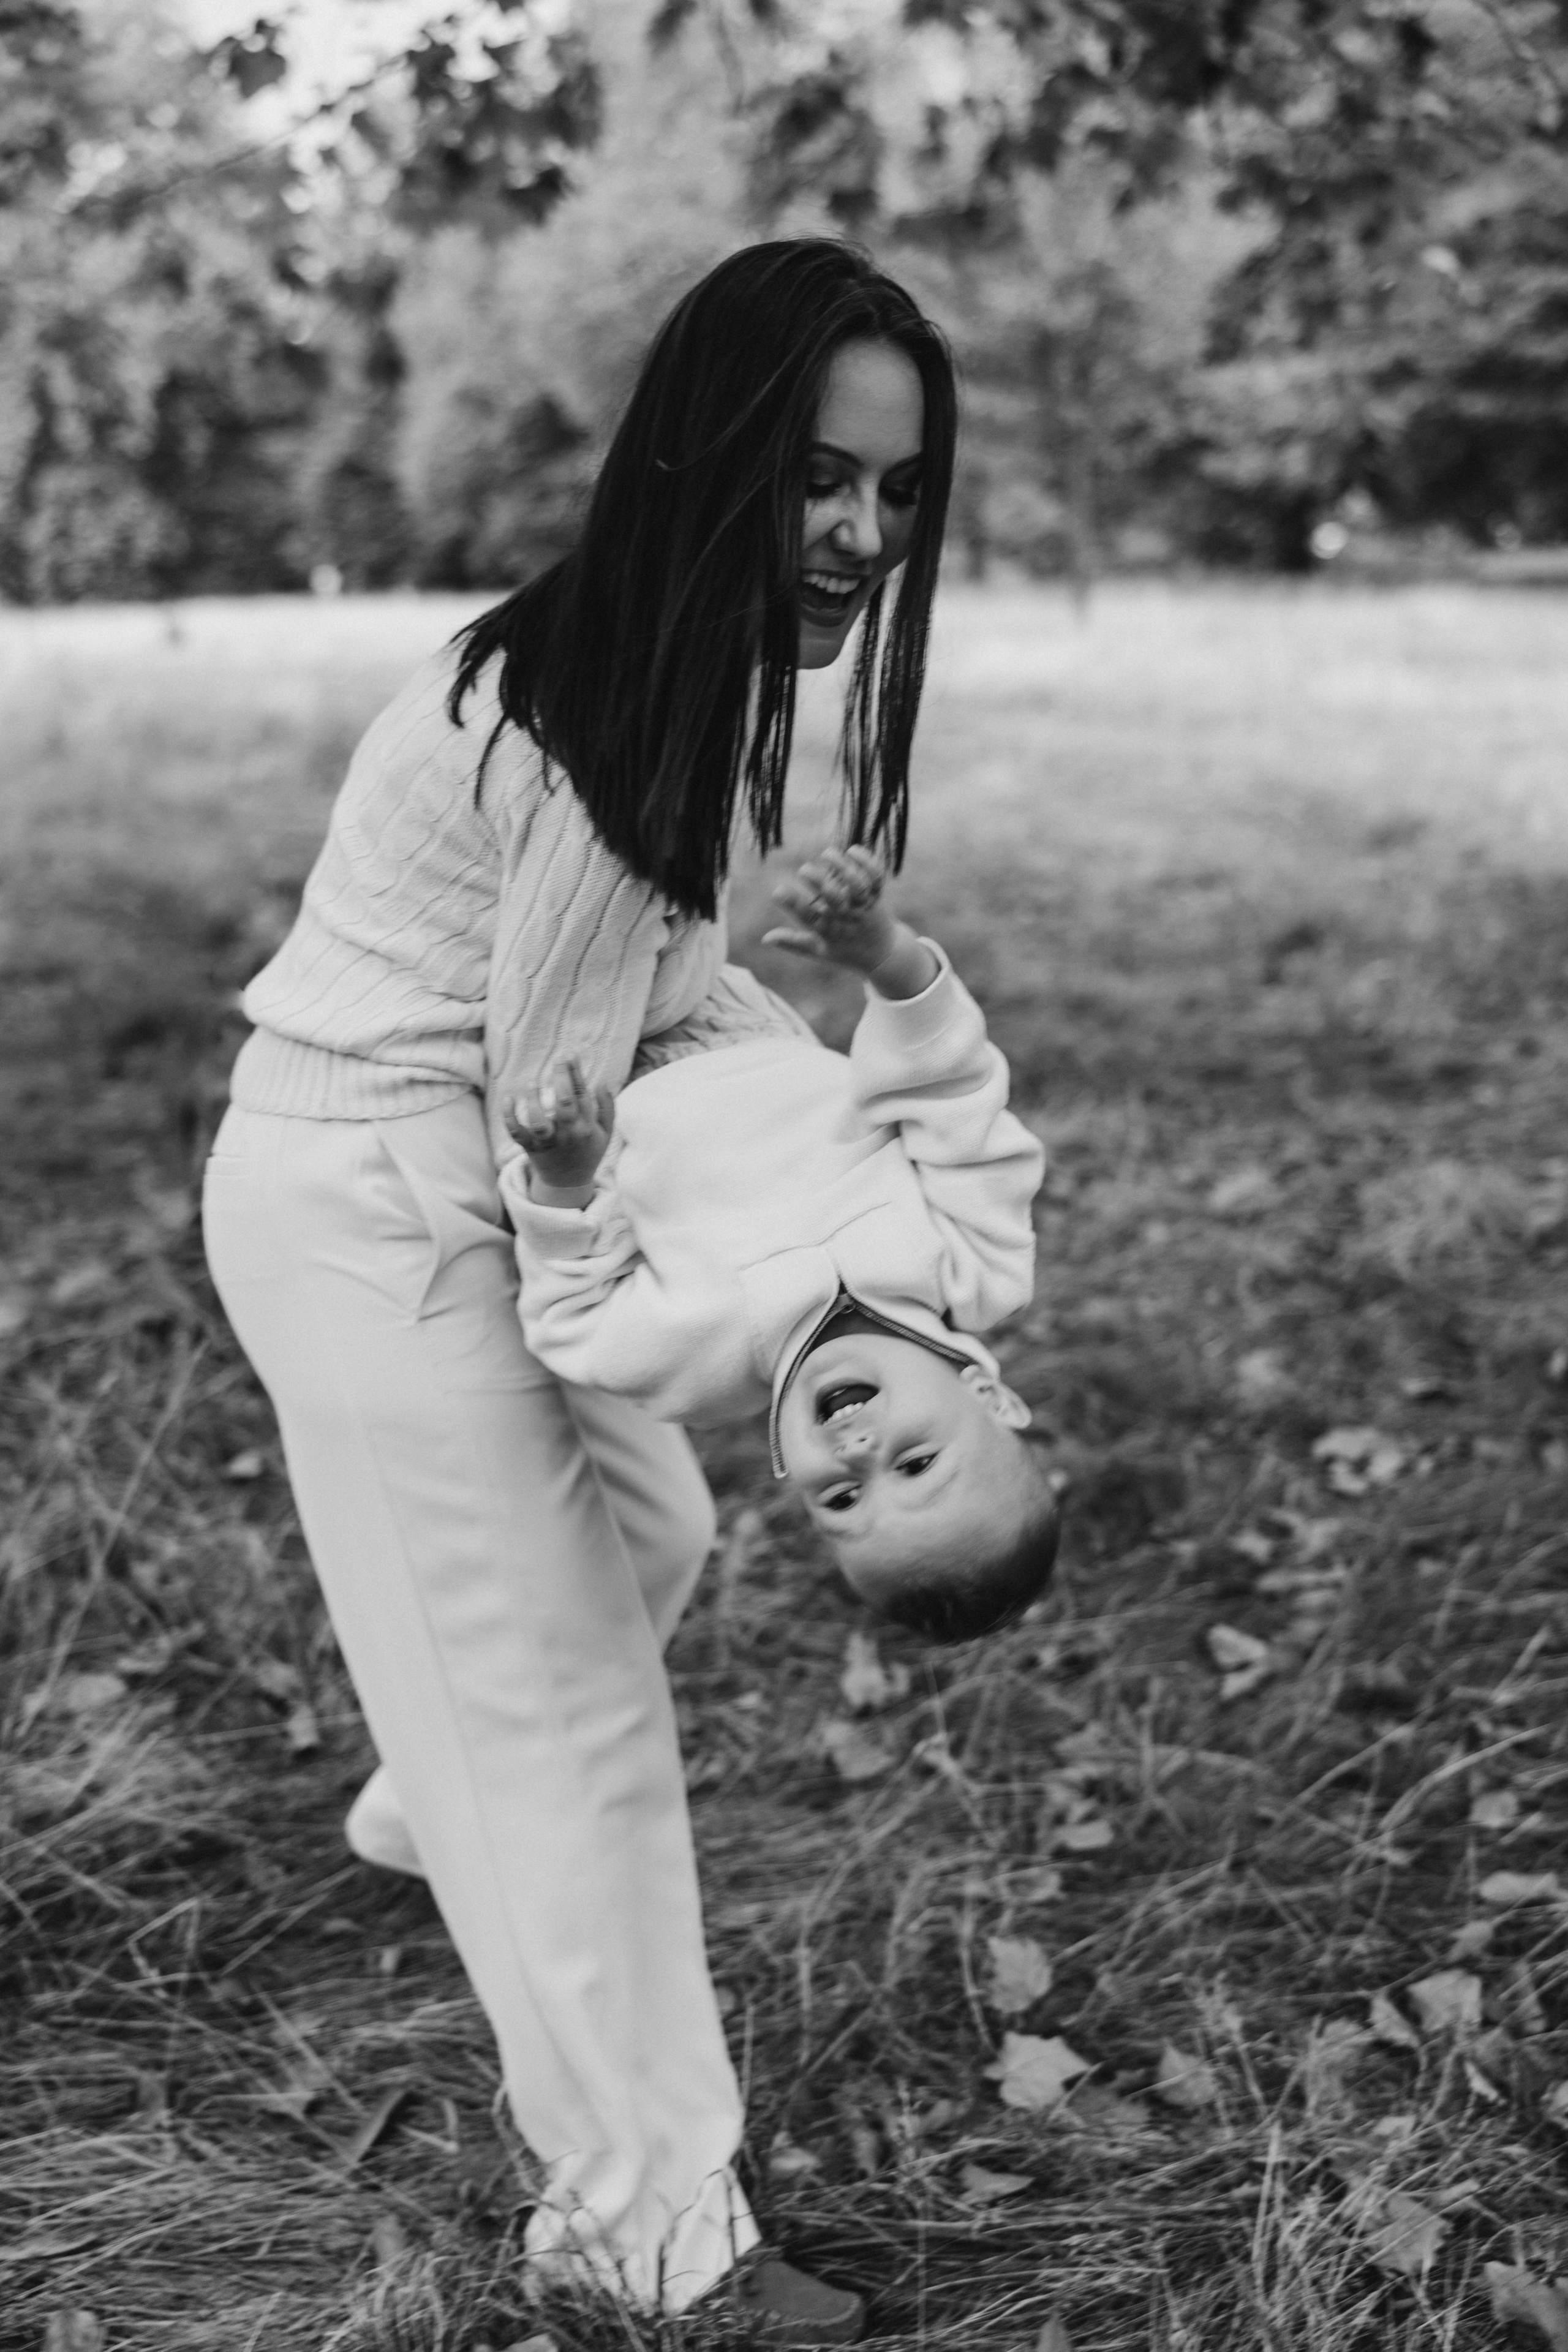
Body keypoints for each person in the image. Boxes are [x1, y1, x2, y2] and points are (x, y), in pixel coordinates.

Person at [201, 238, 956, 2345]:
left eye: (895, 494)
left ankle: (427, 1792)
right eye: (821, 475)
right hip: (375, 1201)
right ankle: (650, 2236)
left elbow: (667, 1004)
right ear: (715, 446)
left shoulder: (669, 662)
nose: (858, 537)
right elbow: (579, 1092)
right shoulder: (606, 703)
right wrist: (851, 1232)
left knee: (657, 1527)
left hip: (432, 1163)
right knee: (573, 1736)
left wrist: (840, 1106)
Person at [505, 843, 1058, 1644]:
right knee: (645, 856)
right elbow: (954, 1099)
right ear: (990, 1400)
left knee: (552, 891)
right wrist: (891, 960)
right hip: (741, 1025)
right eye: (915, 1466)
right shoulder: (974, 1265)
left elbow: (573, 1304)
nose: (857, 1451)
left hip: (584, 1087)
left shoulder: (691, 1373)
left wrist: (566, 1175)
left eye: (840, 1500)